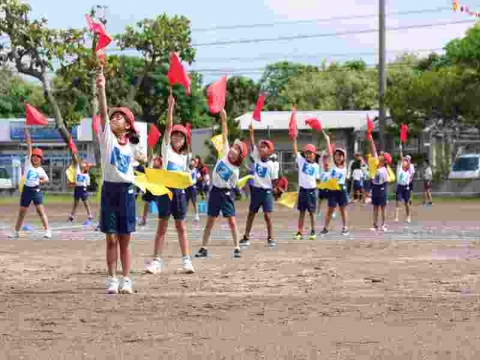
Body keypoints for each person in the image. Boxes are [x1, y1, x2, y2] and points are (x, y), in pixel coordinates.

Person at [96, 68, 147, 294]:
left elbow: (142, 157)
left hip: (127, 191)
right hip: (109, 190)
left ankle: (127, 278)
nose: (115, 118)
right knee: (111, 239)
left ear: (128, 125)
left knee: (125, 239)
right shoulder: (107, 139)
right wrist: (101, 89)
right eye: (114, 117)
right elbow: (103, 111)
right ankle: (112, 279)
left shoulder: (133, 145)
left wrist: (143, 157)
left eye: (120, 117)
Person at [145, 93, 195, 275]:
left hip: (180, 193)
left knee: (181, 227)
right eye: (175, 135)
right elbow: (167, 127)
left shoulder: (184, 157)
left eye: (181, 136)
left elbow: (186, 177)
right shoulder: (166, 150)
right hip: (165, 192)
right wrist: (170, 107)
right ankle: (156, 261)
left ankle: (186, 261)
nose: (177, 138)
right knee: (162, 227)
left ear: (184, 141)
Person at [195, 109, 248, 259]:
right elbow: (224, 134)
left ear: (239, 156)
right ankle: (204, 247)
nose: (233, 149)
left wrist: (234, 191)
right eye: (234, 146)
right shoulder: (224, 153)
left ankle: (237, 247)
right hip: (214, 191)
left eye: (237, 149)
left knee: (231, 221)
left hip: (225, 194)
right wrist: (224, 118)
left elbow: (232, 184)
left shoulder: (235, 170)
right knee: (210, 221)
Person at [9, 127, 52, 239]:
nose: (36, 158)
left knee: (40, 211)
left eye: (38, 157)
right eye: (34, 156)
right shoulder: (28, 163)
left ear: (41, 159)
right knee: (22, 212)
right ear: (31, 157)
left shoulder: (41, 170)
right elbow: (29, 146)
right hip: (26, 190)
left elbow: (47, 179)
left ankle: (48, 231)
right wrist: (27, 135)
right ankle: (16, 232)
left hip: (36, 191)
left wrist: (40, 180)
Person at [240, 125, 278, 248]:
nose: (261, 148)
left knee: (268, 216)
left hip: (266, 192)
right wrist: (252, 133)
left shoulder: (272, 165)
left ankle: (271, 237)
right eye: (261, 146)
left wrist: (276, 190)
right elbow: (252, 144)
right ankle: (246, 237)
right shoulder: (256, 157)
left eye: (265, 147)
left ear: (270, 151)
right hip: (255, 190)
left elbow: (274, 181)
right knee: (251, 213)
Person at [292, 136, 320, 241]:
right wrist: (294, 138)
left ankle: (313, 231)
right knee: (301, 212)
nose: (308, 155)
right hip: (302, 190)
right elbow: (295, 150)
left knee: (312, 212)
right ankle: (299, 232)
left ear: (314, 154)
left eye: (310, 153)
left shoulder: (316, 166)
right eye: (307, 153)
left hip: (312, 191)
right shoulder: (301, 161)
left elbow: (317, 180)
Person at [320, 132, 349, 236]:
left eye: (341, 155)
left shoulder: (344, 166)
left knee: (342, 209)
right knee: (330, 209)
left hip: (341, 188)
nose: (338, 157)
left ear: (343, 157)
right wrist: (328, 140)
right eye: (337, 155)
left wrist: (342, 144)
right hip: (332, 188)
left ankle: (345, 227)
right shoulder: (332, 165)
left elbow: (343, 153)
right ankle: (325, 228)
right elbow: (330, 152)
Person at [368, 136, 392, 232]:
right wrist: (371, 139)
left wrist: (373, 178)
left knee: (383, 207)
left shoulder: (383, 170)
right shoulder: (378, 164)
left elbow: (381, 181)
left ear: (385, 160)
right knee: (375, 206)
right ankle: (375, 225)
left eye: (383, 155)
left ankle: (384, 224)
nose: (380, 155)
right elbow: (374, 150)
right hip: (376, 188)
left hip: (382, 188)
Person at [138, 154, 162, 226]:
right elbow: (140, 169)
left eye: (156, 160)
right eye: (153, 160)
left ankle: (162, 220)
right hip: (149, 189)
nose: (154, 161)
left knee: (159, 205)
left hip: (157, 190)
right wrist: (149, 159)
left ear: (160, 162)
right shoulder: (149, 168)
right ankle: (143, 220)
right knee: (146, 204)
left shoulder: (161, 170)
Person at [67, 156, 93, 223]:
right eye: (82, 163)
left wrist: (84, 189)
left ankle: (90, 215)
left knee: (85, 202)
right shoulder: (77, 170)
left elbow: (87, 184)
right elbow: (76, 160)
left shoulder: (86, 175)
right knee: (75, 203)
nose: (83, 164)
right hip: (77, 188)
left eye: (84, 163)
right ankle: (72, 216)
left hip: (83, 188)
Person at [395, 147, 412, 223]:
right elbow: (401, 158)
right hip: (400, 186)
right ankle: (396, 217)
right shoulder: (399, 168)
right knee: (398, 201)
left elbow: (408, 162)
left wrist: (407, 159)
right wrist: (401, 150)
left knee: (406, 202)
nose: (404, 162)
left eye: (406, 161)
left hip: (406, 187)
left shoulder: (408, 168)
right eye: (404, 161)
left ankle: (408, 216)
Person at [186, 155, 200, 222]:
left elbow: (200, 177)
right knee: (185, 202)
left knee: (194, 201)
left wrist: (196, 179)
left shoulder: (196, 170)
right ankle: (184, 215)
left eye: (193, 162)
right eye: (191, 162)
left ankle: (196, 215)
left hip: (193, 187)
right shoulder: (186, 169)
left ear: (195, 164)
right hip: (186, 186)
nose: (192, 163)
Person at [317, 152, 331, 218]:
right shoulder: (321, 172)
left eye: (327, 165)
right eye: (325, 165)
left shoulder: (330, 173)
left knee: (331, 202)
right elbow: (319, 180)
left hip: (328, 189)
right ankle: (318, 212)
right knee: (320, 201)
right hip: (322, 189)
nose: (326, 166)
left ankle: (332, 212)